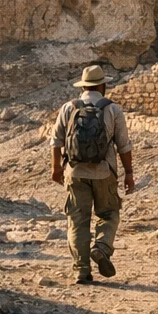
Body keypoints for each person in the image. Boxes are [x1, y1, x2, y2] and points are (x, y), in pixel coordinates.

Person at [50, 63, 135, 285]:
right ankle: (102, 247)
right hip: (104, 172)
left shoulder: (68, 107)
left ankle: (81, 271)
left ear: (84, 86)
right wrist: (129, 174)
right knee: (108, 214)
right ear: (102, 85)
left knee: (77, 221)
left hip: (75, 172)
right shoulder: (113, 109)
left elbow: (56, 141)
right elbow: (124, 146)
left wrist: (56, 168)